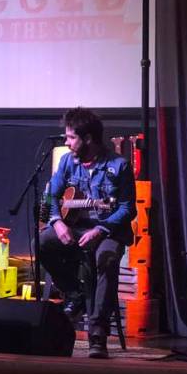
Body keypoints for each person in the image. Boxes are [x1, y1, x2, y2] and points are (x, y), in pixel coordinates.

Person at [38, 107, 136, 359]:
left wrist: (101, 230)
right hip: (75, 225)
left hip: (108, 230)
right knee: (41, 243)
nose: (67, 142)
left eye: (71, 137)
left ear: (88, 138)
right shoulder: (67, 161)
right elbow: (52, 195)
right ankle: (75, 293)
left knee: (106, 259)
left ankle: (97, 334)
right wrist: (57, 222)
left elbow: (127, 208)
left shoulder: (118, 166)